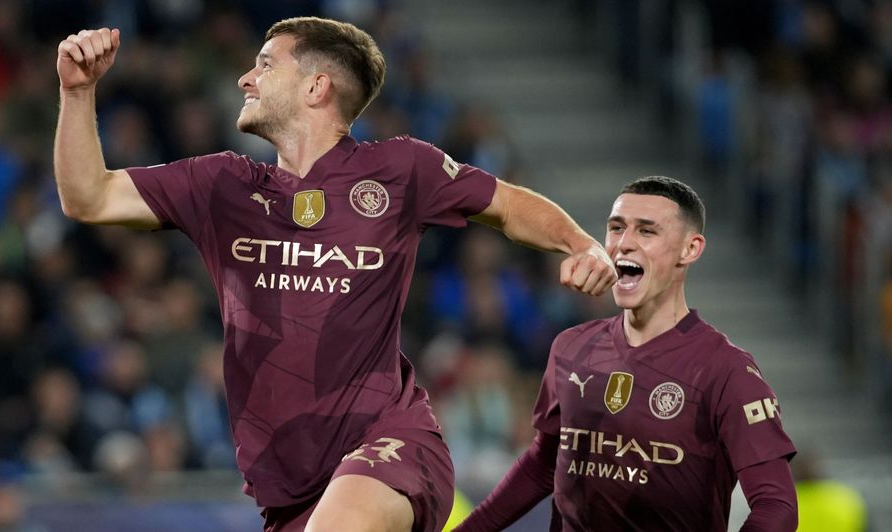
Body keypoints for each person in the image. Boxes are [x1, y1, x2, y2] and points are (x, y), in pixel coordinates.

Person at [53, 17, 617, 532]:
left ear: (316, 87)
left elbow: (509, 205)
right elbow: (89, 197)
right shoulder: (222, 186)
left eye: (265, 64)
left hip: (390, 446)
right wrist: (77, 92)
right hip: (292, 492)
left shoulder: (400, 169)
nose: (246, 78)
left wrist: (581, 243)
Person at [455, 176, 798, 531]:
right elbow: (544, 464)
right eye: (616, 228)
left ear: (690, 249)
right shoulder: (571, 347)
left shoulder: (726, 370)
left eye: (646, 231)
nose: (624, 244)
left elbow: (777, 506)